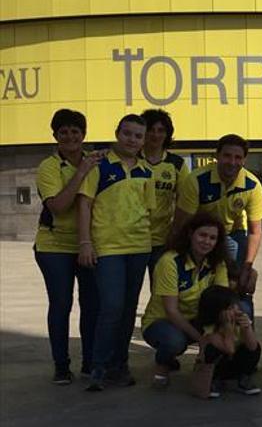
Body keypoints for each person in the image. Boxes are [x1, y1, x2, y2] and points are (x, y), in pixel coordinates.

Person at [77, 114, 153, 391]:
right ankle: (98, 366)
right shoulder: (99, 165)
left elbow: (150, 210)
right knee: (111, 308)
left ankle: (119, 365)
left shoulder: (146, 170)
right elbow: (84, 205)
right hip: (107, 248)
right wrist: (85, 243)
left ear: (143, 140)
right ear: (117, 133)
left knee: (128, 309)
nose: (132, 140)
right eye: (127, 134)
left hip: (139, 247)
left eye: (138, 136)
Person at [34, 109, 101, 384]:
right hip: (54, 246)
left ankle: (89, 362)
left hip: (89, 245)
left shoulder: (97, 162)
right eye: (64, 132)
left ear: (84, 135)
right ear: (55, 136)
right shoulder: (48, 167)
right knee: (61, 304)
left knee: (92, 305)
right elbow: (59, 207)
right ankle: (61, 365)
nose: (70, 136)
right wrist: (82, 172)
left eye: (75, 131)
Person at [140, 213, 237, 388]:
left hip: (199, 318)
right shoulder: (169, 262)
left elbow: (223, 300)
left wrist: (225, 331)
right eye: (202, 235)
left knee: (238, 312)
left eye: (212, 238)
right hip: (164, 321)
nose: (206, 241)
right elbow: (171, 311)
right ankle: (163, 365)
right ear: (190, 234)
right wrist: (203, 340)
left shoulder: (217, 262)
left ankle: (226, 370)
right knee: (174, 342)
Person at [175, 134, 262, 289]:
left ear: (244, 160)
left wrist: (247, 267)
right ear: (216, 156)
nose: (232, 162)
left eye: (238, 158)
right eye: (227, 156)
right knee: (196, 281)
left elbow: (255, 232)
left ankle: (240, 308)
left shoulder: (252, 185)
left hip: (232, 233)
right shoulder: (196, 180)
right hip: (200, 234)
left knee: (240, 283)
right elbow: (182, 224)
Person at [141, 109, 189, 274]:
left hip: (163, 239)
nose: (155, 135)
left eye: (161, 130)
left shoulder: (176, 164)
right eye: (151, 130)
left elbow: (184, 202)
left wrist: (176, 233)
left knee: (161, 291)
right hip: (133, 238)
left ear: (167, 134)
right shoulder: (131, 160)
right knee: (129, 294)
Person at [193, 285, 262, 398]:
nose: (236, 310)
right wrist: (227, 328)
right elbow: (229, 349)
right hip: (219, 366)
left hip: (236, 363)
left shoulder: (238, 322)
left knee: (254, 348)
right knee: (212, 350)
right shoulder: (209, 330)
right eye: (230, 308)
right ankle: (213, 380)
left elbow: (253, 346)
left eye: (236, 306)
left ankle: (244, 378)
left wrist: (247, 328)